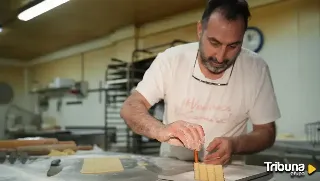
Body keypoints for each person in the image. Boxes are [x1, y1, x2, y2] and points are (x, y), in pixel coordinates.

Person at [120, 0, 281, 165]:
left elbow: (266, 132)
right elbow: (130, 107)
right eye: (214, 43)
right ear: (199, 30)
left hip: (229, 171)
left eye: (233, 46)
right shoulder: (171, 60)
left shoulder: (255, 68)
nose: (220, 57)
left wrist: (235, 144)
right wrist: (160, 130)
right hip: (172, 166)